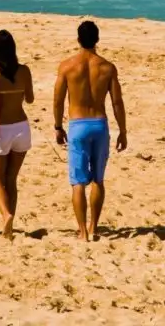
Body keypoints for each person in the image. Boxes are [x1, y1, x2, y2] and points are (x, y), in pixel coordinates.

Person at [53, 20, 127, 241]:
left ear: (78, 39)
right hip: (99, 124)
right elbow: (117, 103)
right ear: (97, 40)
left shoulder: (67, 66)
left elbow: (57, 101)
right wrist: (123, 130)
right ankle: (94, 227)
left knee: (77, 182)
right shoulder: (107, 67)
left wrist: (58, 126)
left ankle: (82, 232)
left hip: (77, 125)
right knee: (98, 180)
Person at [0, 30, 34, 240]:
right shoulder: (24, 71)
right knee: (11, 179)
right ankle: (9, 227)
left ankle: (6, 215)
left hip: (2, 128)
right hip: (22, 127)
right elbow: (30, 99)